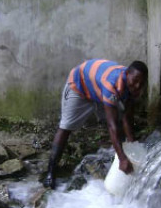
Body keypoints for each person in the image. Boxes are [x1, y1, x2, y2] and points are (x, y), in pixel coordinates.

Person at [43, 58, 148, 189]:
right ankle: (50, 173)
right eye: (135, 81)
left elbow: (127, 117)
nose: (137, 86)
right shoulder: (112, 84)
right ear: (127, 74)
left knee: (121, 122)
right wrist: (123, 159)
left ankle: (119, 162)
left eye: (141, 83)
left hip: (98, 90)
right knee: (66, 127)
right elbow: (112, 126)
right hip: (80, 85)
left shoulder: (133, 87)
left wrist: (133, 146)